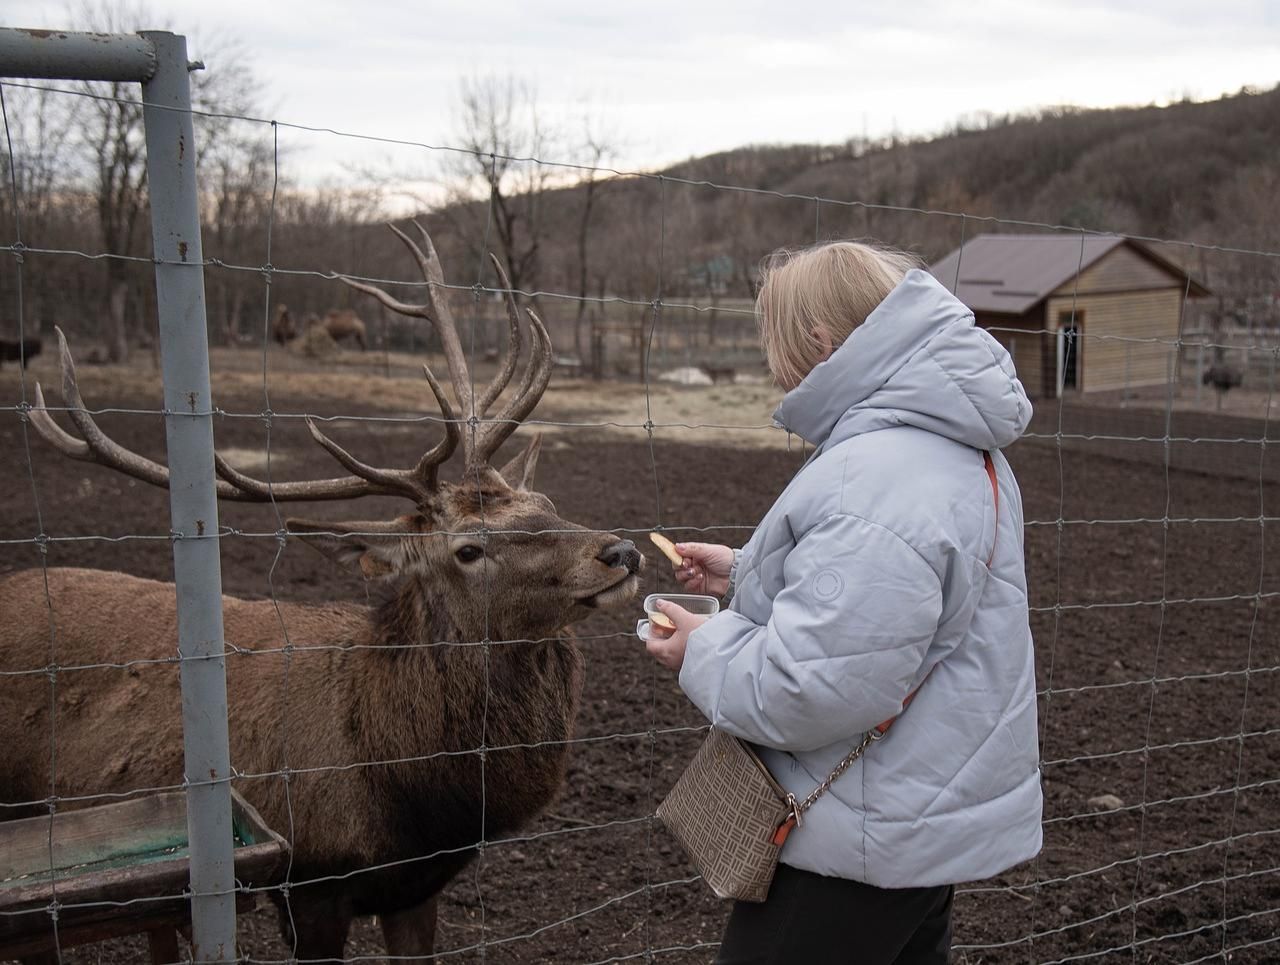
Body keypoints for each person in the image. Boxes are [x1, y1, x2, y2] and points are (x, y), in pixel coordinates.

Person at [642, 240, 1042, 964]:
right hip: (912, 821)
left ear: (821, 343)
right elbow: (899, 602)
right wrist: (747, 571)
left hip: (854, 843)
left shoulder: (876, 476)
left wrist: (700, 647)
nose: (775, 372)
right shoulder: (949, 444)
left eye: (778, 347)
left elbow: (808, 688)